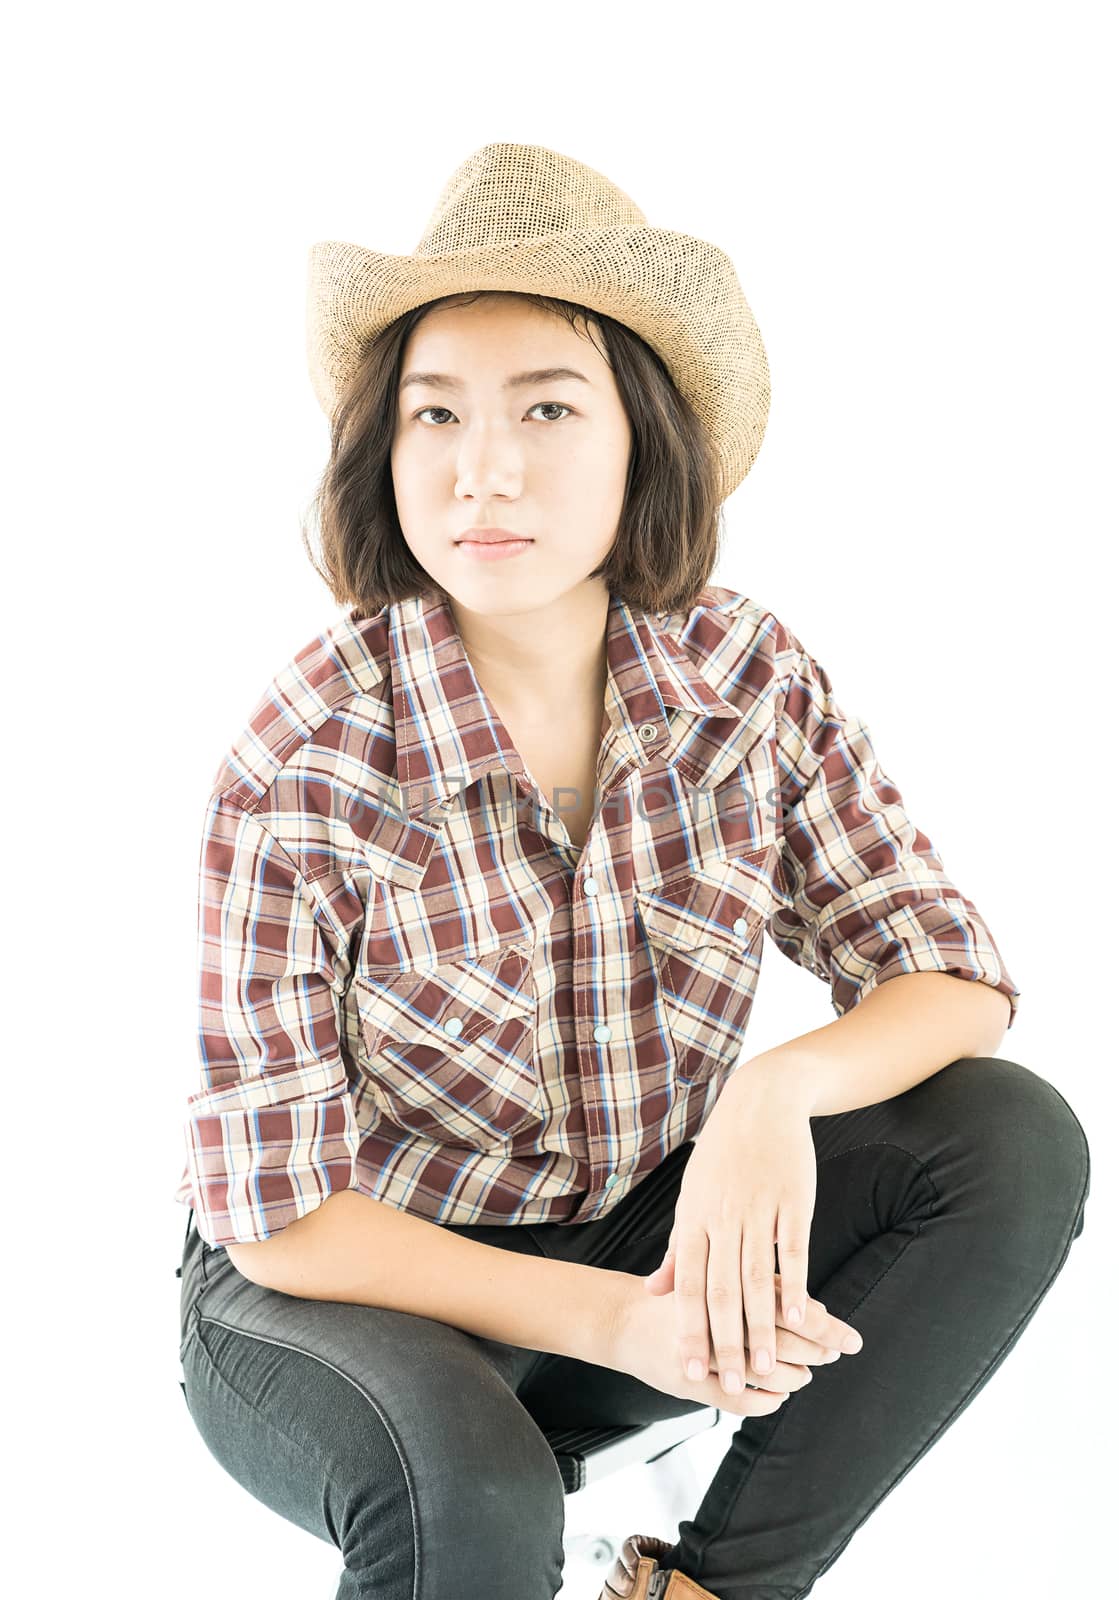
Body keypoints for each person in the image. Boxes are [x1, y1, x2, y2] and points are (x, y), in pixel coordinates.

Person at [173, 143, 1090, 1600]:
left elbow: (952, 972)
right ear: (383, 451)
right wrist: (612, 1322)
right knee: (468, 1488)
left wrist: (768, 1095)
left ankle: (703, 1591)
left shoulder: (740, 675)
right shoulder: (307, 761)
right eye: (436, 415)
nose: (486, 469)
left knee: (1004, 1135)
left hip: (633, 1247)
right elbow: (277, 1215)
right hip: (344, 1295)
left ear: (640, 440)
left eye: (547, 407)